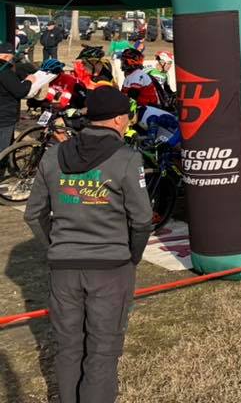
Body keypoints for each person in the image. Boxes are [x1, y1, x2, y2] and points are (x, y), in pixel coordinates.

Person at [24, 85, 152, 403]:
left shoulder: (53, 156)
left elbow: (33, 214)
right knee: (103, 349)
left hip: (64, 268)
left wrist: (56, 247)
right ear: (119, 120)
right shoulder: (126, 158)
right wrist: (131, 256)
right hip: (111, 268)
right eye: (127, 117)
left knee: (68, 347)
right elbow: (142, 220)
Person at [0, 41, 35, 150]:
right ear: (7, 56)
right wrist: (29, 81)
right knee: (3, 148)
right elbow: (20, 91)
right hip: (4, 117)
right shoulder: (4, 71)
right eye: (12, 57)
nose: (13, 60)